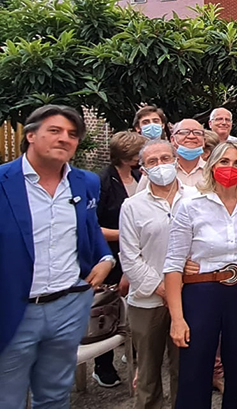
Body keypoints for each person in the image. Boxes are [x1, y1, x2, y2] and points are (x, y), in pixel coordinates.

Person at [0, 105, 114, 409]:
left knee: (54, 396)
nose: (65, 138)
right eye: (55, 131)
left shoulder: (85, 183)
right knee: (7, 397)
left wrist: (106, 260)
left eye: (72, 134)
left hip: (68, 306)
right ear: (30, 135)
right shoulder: (3, 182)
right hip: (14, 309)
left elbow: (89, 231)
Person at [163, 141, 237, 409]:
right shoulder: (190, 204)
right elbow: (173, 264)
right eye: (224, 162)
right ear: (212, 165)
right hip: (201, 291)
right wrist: (177, 319)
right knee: (196, 366)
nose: (231, 168)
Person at [120, 139, 193, 409]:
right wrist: (162, 288)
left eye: (165, 158)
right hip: (147, 301)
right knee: (148, 375)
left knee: (184, 370)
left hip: (189, 296)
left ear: (176, 160)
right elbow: (129, 256)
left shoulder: (196, 197)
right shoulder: (132, 206)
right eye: (153, 161)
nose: (161, 165)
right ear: (143, 169)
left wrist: (179, 286)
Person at [94, 130, 146, 386]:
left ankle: (134, 357)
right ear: (126, 156)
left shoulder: (139, 176)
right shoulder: (103, 181)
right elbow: (92, 227)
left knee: (134, 311)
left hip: (138, 255)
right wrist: (126, 234)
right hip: (111, 257)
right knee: (107, 310)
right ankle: (102, 365)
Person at [171, 119, 208, 186]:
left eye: (197, 133)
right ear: (173, 140)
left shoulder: (212, 171)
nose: (191, 136)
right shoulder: (164, 172)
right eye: (184, 132)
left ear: (204, 141)